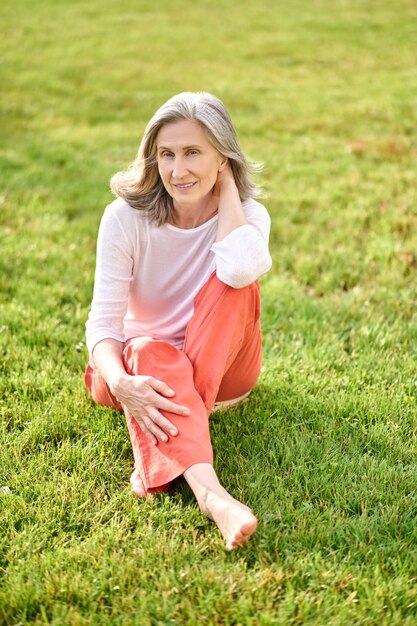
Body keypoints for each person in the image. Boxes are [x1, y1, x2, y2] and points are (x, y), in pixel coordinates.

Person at [84, 91, 272, 550]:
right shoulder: (124, 219)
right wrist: (121, 382)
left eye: (193, 153)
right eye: (166, 154)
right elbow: (104, 325)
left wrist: (228, 191)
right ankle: (214, 498)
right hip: (138, 374)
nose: (177, 170)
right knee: (149, 349)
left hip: (225, 372)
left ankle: (162, 447)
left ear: (223, 158)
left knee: (236, 280)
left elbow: (241, 270)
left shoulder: (247, 217)